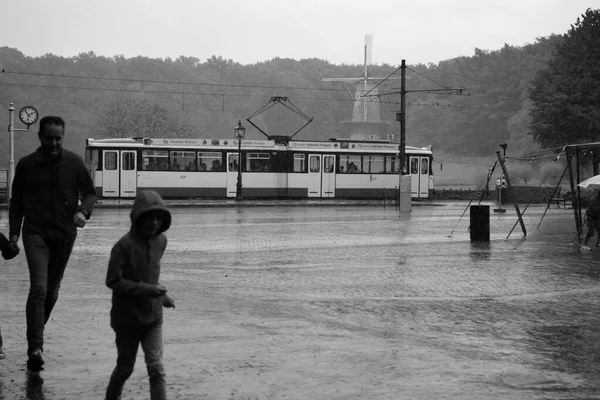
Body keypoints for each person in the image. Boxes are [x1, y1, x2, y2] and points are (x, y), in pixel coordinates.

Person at [8, 115, 97, 371]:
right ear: (40, 137)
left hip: (65, 235)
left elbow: (90, 192)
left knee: (52, 291)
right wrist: (14, 233)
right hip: (35, 233)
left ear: (63, 137)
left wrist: (84, 211)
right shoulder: (26, 165)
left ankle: (35, 332)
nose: (54, 143)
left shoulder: (74, 163)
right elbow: (16, 202)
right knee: (39, 287)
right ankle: (35, 347)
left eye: (58, 138)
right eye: (49, 138)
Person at [105, 190, 175, 400]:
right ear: (138, 218)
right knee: (125, 368)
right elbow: (113, 281)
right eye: (149, 217)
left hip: (153, 319)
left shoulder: (161, 241)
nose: (154, 223)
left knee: (156, 368)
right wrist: (150, 291)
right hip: (127, 320)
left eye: (158, 218)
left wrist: (161, 298)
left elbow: (152, 274)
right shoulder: (123, 246)